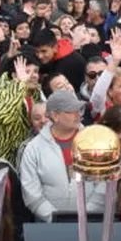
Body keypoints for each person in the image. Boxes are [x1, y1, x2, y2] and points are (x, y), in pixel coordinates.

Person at [17, 89, 106, 222]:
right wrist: (56, 219)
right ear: (55, 116)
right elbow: (31, 194)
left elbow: (104, 184)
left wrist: (86, 216)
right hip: (49, 227)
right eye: (71, 111)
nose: (78, 115)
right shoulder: (33, 149)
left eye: (79, 110)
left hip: (91, 223)